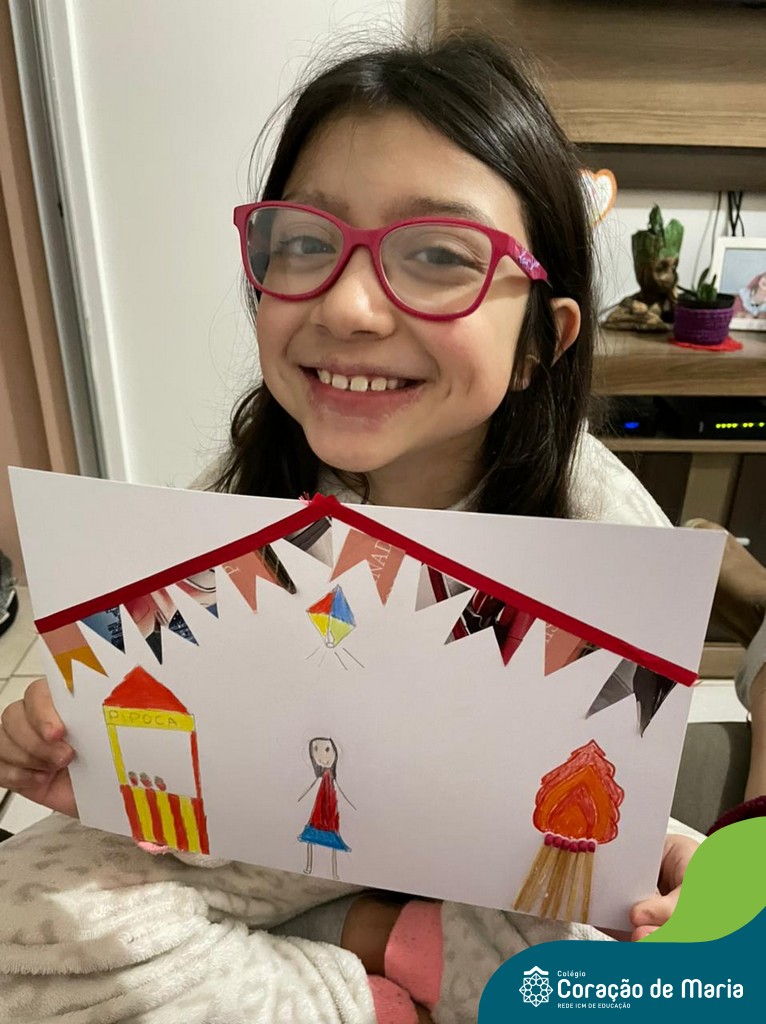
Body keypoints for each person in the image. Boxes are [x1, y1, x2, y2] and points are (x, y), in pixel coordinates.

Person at [0, 34, 709, 1024]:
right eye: (304, 242)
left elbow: (609, 786)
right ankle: (370, 967)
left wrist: (670, 855)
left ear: (538, 343)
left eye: (439, 256)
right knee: (24, 927)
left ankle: (390, 944)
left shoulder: (602, 524)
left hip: (487, 861)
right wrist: (64, 737)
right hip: (274, 837)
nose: (348, 304)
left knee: (636, 984)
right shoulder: (248, 487)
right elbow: (151, 685)